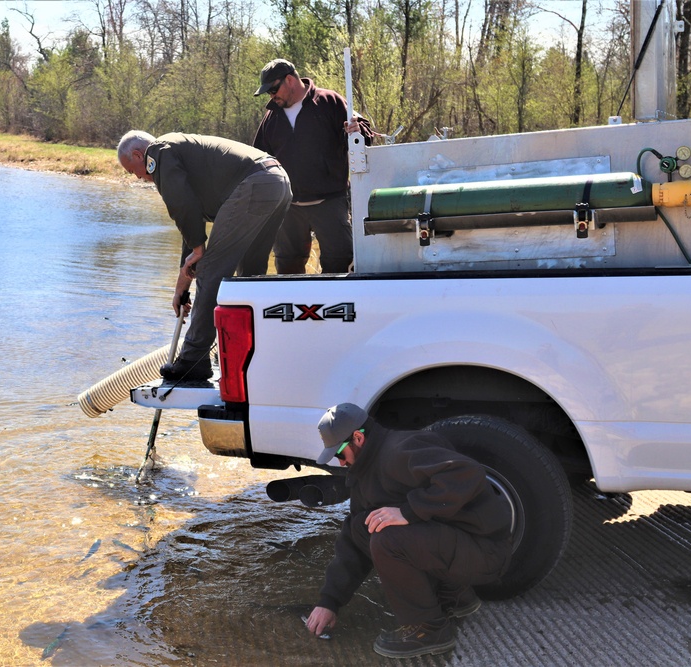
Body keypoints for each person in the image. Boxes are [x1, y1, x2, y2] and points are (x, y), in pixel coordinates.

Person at [303, 403, 513, 659]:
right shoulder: (364, 472)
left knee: (387, 540)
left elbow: (467, 473)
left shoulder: (399, 450)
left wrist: (408, 512)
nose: (340, 461)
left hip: (486, 550)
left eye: (339, 453)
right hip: (459, 547)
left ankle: (429, 628)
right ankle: (455, 596)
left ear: (358, 437)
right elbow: (353, 540)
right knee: (363, 527)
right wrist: (330, 601)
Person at [117, 130, 292, 381]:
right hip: (277, 182)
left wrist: (200, 251)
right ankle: (246, 353)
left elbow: (182, 207)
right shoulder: (179, 151)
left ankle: (193, 361)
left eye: (133, 170)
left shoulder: (158, 152)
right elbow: (191, 223)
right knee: (249, 277)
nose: (139, 178)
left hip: (255, 184)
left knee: (211, 271)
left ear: (138, 154)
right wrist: (182, 285)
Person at [252, 59, 375, 274]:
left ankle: (336, 305)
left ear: (290, 80)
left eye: (273, 89)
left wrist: (357, 131)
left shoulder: (330, 101)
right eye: (268, 93)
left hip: (330, 202)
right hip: (288, 207)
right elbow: (257, 161)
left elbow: (365, 133)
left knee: (341, 263)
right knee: (287, 267)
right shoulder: (271, 118)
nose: (272, 96)